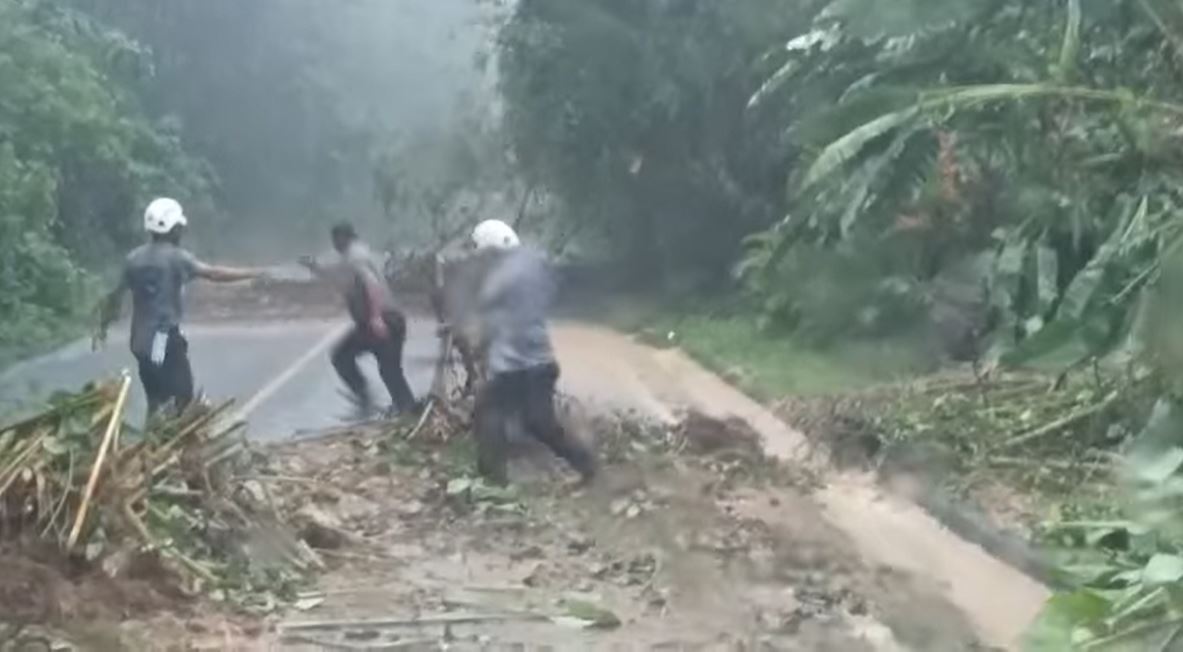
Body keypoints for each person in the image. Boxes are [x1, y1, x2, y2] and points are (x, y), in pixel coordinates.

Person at [96, 197, 266, 418]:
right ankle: (170, 441)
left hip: (139, 340)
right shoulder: (177, 257)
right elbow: (214, 273)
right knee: (181, 396)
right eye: (180, 228)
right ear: (173, 228)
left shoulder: (133, 258)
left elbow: (115, 296)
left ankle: (154, 439)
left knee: (156, 396)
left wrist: (104, 322)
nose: (182, 232)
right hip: (162, 338)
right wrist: (253, 273)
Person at [466, 219, 597, 485]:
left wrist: (478, 340)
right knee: (497, 414)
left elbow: (491, 319)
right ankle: (492, 476)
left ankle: (584, 463)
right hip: (529, 365)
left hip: (526, 367)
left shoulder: (504, 277)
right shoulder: (529, 266)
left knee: (529, 421)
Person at [301, 222, 418, 419]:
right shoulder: (354, 256)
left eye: (336, 239)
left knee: (343, 357)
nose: (334, 244)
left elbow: (372, 286)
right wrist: (315, 267)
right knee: (389, 370)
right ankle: (404, 407)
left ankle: (375, 403)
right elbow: (339, 277)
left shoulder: (356, 257)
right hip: (387, 319)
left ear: (345, 238)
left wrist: (375, 318)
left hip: (383, 319)